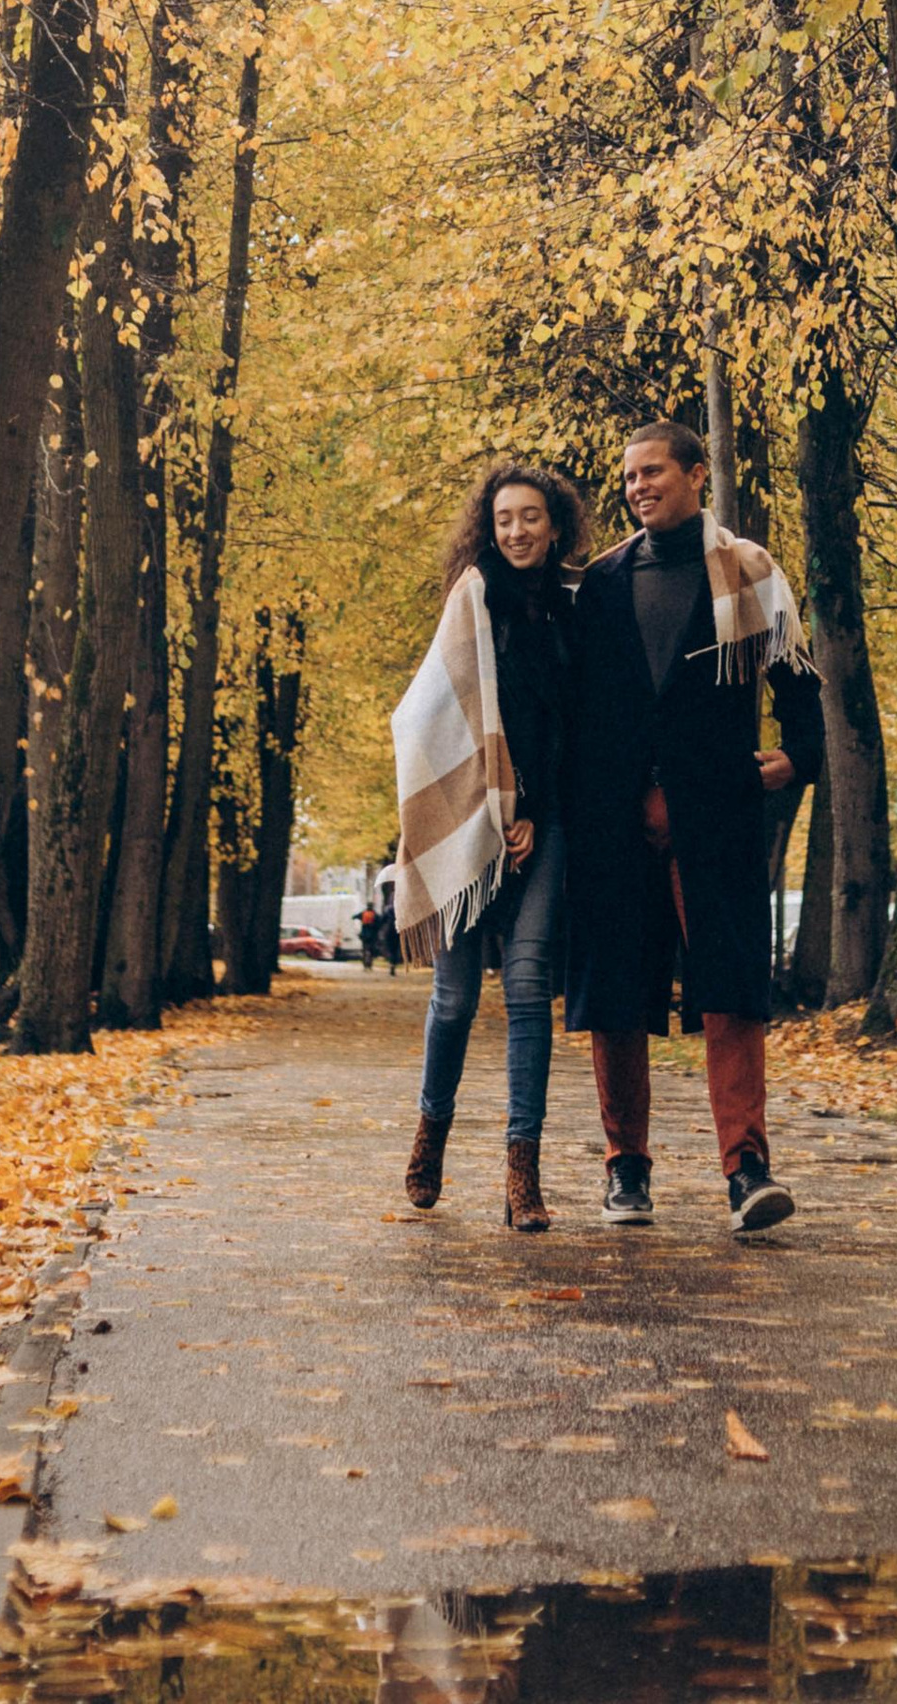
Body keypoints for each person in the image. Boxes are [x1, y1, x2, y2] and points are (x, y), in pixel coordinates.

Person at [562, 422, 823, 1233]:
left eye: (653, 472)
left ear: (696, 474)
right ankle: (625, 1172)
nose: (639, 487)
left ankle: (748, 1174)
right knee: (615, 995)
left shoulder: (748, 570)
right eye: (629, 476)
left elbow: (799, 678)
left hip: (716, 812)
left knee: (731, 993)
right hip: (612, 818)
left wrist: (801, 756)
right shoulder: (599, 584)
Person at [389, 459, 585, 1231]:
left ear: (555, 523)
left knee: (529, 985)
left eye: (530, 517)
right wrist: (493, 806)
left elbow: (575, 726)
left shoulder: (575, 609)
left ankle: (521, 1175)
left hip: (549, 819)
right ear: (488, 526)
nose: (516, 531)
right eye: (504, 519)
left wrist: (534, 807)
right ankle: (430, 1134)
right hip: (474, 820)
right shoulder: (471, 601)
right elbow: (432, 716)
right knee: (457, 996)